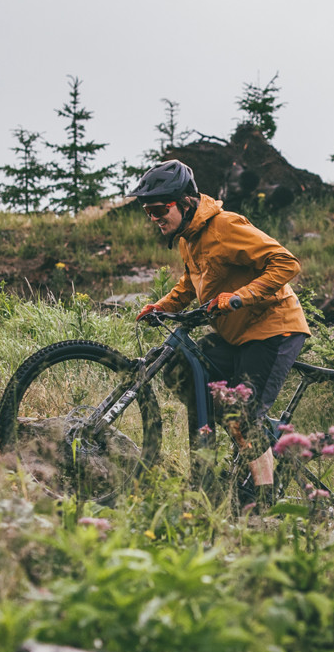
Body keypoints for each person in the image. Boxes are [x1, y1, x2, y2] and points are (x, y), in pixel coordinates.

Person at [130, 159, 310, 499]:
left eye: (157, 209)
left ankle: (263, 503)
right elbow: (191, 280)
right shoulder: (188, 237)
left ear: (184, 201)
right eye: (147, 212)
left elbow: (287, 262)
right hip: (236, 335)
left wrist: (240, 296)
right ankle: (219, 471)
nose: (153, 218)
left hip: (274, 328)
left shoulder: (225, 226)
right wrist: (164, 306)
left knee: (241, 415)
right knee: (187, 372)